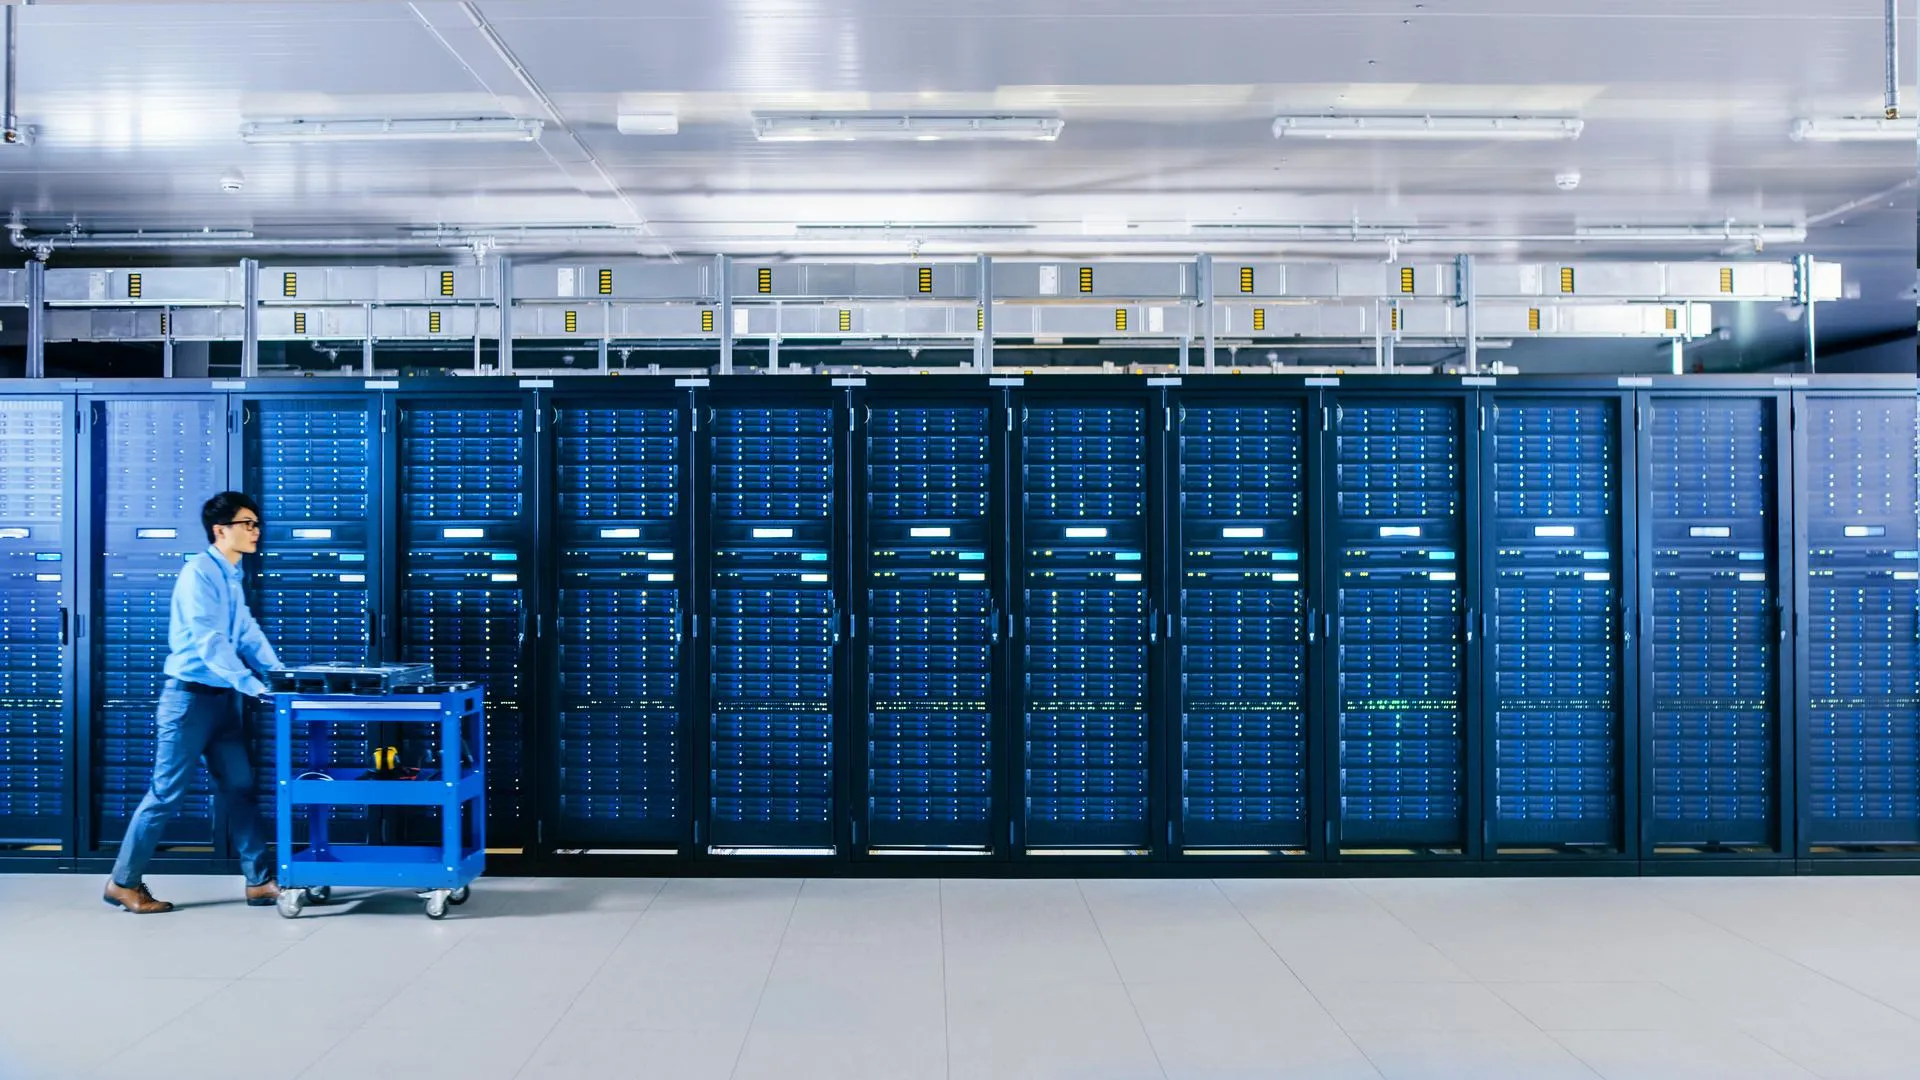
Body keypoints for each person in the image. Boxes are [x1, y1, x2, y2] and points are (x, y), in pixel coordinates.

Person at [103, 491, 283, 914]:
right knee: (166, 793)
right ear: (221, 530)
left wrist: (278, 675)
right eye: (247, 524)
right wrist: (251, 684)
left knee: (239, 787)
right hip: (188, 701)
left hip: (221, 700)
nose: (256, 531)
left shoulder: (231, 575)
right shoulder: (199, 572)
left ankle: (258, 881)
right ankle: (122, 883)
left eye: (257, 524)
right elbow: (210, 641)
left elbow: (247, 633)